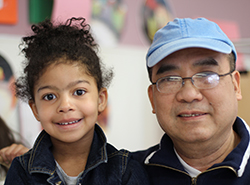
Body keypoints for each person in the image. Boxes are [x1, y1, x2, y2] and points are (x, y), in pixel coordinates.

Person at [4, 17, 149, 185]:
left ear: (100, 100)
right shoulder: (21, 171)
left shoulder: (124, 170)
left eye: (79, 92)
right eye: (49, 96)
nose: (65, 106)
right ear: (35, 109)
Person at [132, 17, 250, 184]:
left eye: (207, 75)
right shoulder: (126, 174)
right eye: (170, 79)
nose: (189, 94)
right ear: (152, 98)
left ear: (236, 85)